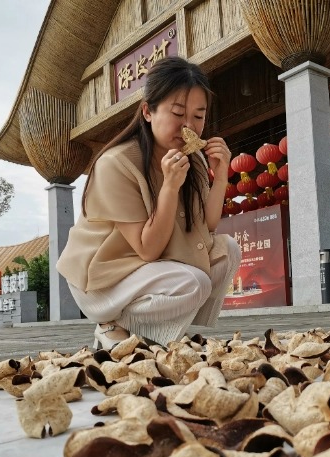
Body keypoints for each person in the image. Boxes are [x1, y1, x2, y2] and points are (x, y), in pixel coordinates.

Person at [56, 56, 241, 350]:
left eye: (198, 116)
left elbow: (207, 225)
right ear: (147, 112)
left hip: (151, 270)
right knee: (194, 282)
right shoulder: (116, 164)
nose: (189, 126)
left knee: (228, 250)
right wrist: (169, 187)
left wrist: (220, 176)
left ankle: (164, 331)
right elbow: (148, 248)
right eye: (177, 113)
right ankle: (111, 324)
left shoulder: (192, 158)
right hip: (104, 279)